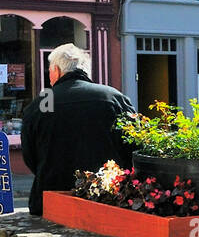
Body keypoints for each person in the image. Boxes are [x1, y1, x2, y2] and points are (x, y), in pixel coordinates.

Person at [21, 44, 136, 216]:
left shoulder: (43, 102)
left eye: (49, 71)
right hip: (106, 199)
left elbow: (30, 155)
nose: (49, 77)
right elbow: (133, 147)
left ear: (57, 71)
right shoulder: (112, 97)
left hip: (52, 200)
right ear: (85, 71)